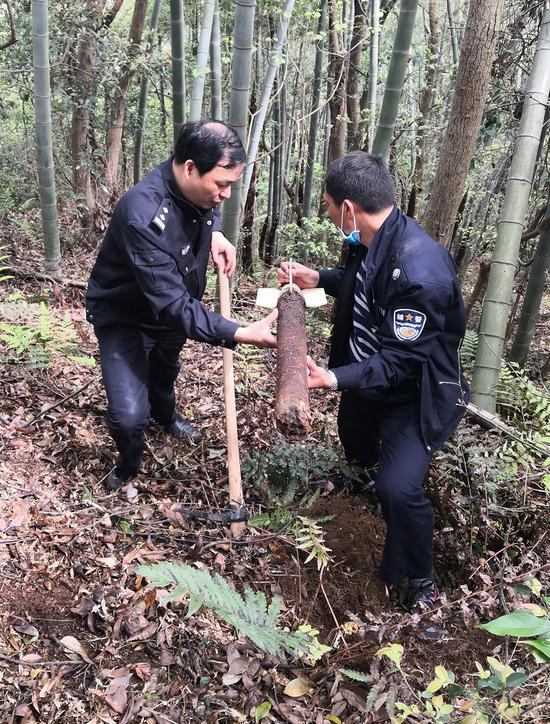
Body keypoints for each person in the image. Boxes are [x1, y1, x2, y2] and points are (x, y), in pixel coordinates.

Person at [278, 152, 469, 610]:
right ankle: (360, 476)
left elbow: (401, 361)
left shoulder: (421, 270)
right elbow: (360, 281)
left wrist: (334, 377)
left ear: (348, 208)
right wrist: (318, 278)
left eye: (328, 207)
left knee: (398, 489)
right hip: (367, 376)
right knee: (353, 435)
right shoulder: (372, 237)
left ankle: (421, 579)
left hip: (413, 394)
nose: (329, 216)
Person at [87, 120, 276, 491]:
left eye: (230, 186)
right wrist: (238, 332)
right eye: (220, 185)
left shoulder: (193, 184)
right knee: (128, 417)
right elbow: (173, 305)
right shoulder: (142, 214)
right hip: (126, 316)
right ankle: (128, 463)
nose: (224, 195)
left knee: (165, 372)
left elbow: (207, 210)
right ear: (190, 168)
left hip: (173, 310)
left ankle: (166, 415)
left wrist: (217, 231)